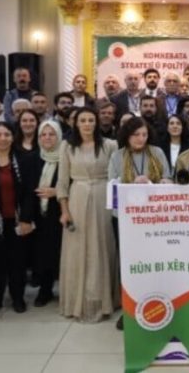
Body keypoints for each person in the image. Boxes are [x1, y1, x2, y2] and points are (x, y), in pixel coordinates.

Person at [57, 107, 120, 322]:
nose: (87, 124)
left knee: (103, 247)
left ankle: (105, 300)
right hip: (77, 197)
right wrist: (64, 211)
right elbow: (62, 181)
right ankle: (78, 301)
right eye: (82, 120)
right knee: (78, 250)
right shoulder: (67, 146)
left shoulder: (110, 145)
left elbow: (116, 177)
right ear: (75, 123)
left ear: (96, 122)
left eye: (91, 120)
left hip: (104, 199)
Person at [108, 117, 171, 329]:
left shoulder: (157, 152)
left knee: (153, 264)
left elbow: (168, 179)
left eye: (144, 134)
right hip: (125, 220)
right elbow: (112, 187)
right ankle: (129, 310)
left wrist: (161, 182)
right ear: (127, 135)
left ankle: (157, 307)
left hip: (154, 219)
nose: (140, 138)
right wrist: (132, 184)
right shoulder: (117, 156)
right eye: (136, 134)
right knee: (128, 265)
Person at [0, 122, 35, 315]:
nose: (2, 138)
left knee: (17, 262)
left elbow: (29, 192)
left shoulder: (24, 159)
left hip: (18, 220)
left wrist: (26, 218)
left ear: (13, 137)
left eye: (6, 134)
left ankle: (18, 298)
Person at [29, 121, 64, 307]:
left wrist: (56, 192)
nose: (47, 138)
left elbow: (74, 183)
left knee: (62, 254)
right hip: (40, 214)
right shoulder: (33, 158)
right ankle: (45, 290)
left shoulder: (66, 157)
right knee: (42, 255)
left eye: (52, 134)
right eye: (43, 134)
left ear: (59, 136)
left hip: (61, 213)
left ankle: (66, 291)